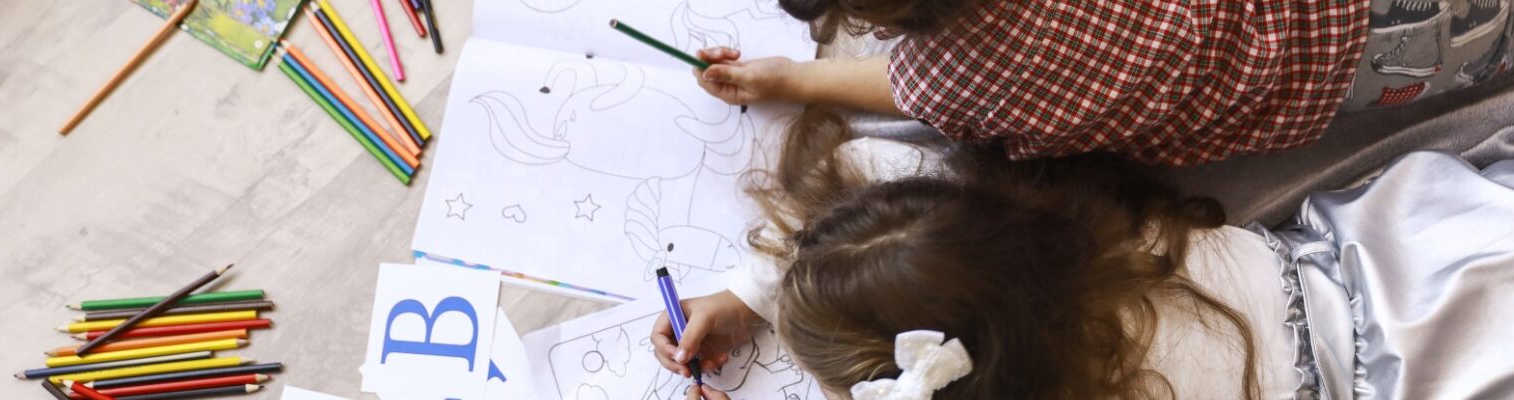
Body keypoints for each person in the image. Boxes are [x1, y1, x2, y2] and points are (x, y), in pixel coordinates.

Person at [649, 108, 1514, 398]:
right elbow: (876, 165)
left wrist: (754, 295)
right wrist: (753, 289)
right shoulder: (1045, 222)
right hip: (1399, 250)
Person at [693, 0, 1514, 166]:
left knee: (1484, 45)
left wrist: (801, 80)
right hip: (1355, 39)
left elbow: (910, 90)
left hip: (1346, 71)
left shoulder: (950, 75)